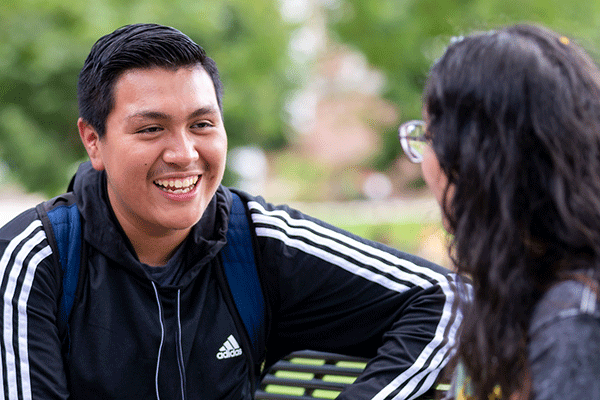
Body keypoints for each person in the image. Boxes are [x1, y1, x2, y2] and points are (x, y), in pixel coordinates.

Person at [0, 23, 461, 400]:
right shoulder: (36, 260)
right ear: (93, 141)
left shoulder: (256, 242)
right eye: (151, 129)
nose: (183, 153)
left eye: (202, 124)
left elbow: (449, 298)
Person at [399, 24, 600, 400]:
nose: (423, 160)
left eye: (427, 137)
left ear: (479, 161)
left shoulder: (573, 320)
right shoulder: (521, 285)